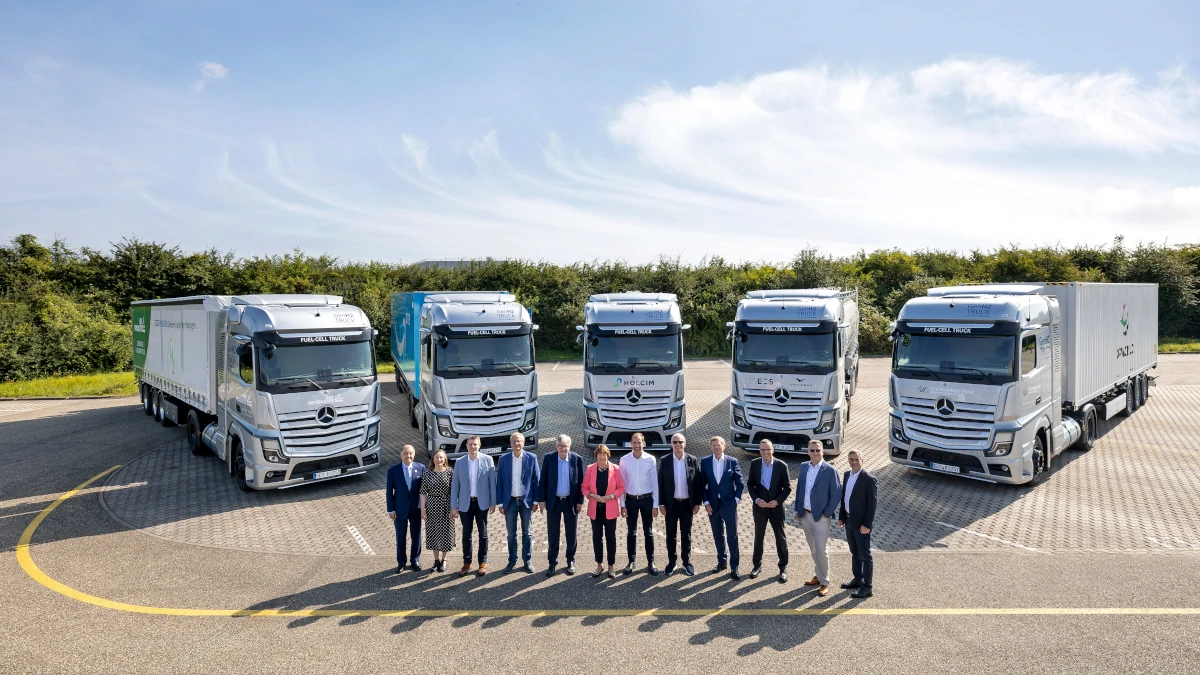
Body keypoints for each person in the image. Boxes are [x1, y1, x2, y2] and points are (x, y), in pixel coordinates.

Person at [794, 439, 841, 596]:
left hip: (821, 517)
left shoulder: (830, 470)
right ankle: (818, 575)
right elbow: (800, 489)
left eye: (818, 450)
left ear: (823, 451)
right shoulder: (803, 467)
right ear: (808, 451)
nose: (815, 453)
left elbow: (836, 495)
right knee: (813, 549)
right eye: (812, 450)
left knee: (821, 549)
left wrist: (826, 513)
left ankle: (825, 581)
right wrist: (797, 509)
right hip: (805, 514)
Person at [450, 436, 497, 577]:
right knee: (466, 535)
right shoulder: (459, 462)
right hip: (465, 504)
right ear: (466, 445)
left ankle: (482, 563)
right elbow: (455, 486)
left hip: (482, 503)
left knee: (483, 534)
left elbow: (492, 484)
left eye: (475, 444)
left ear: (479, 445)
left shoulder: (487, 460)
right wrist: (454, 506)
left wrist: (493, 502)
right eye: (470, 444)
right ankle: (467, 563)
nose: (473, 447)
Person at [538, 434, 584, 577]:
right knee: (553, 534)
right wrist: (541, 499)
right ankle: (552, 563)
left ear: (569, 447)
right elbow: (543, 480)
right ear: (556, 446)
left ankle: (570, 561)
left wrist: (580, 501)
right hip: (554, 502)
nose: (563, 449)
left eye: (565, 446)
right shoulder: (549, 458)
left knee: (571, 534)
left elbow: (581, 482)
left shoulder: (577, 459)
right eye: (560, 446)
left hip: (571, 502)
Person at [699, 436, 745, 580]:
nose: (716, 447)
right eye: (713, 445)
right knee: (718, 535)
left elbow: (740, 483)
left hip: (729, 505)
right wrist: (706, 502)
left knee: (732, 536)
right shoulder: (705, 462)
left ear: (724, 446)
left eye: (718, 445)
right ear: (710, 447)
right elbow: (702, 484)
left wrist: (736, 499)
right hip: (713, 505)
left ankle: (735, 566)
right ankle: (722, 561)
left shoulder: (732, 461)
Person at [657, 433, 702, 576]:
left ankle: (686, 562)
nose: (677, 444)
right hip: (671, 504)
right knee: (671, 534)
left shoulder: (692, 460)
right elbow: (660, 483)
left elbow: (697, 483)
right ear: (671, 444)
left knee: (686, 535)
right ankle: (672, 562)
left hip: (687, 505)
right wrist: (661, 503)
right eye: (675, 442)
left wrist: (697, 503)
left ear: (685, 443)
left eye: (680, 442)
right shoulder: (664, 460)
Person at [496, 431, 541, 574]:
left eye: (519, 441)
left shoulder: (532, 458)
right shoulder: (503, 459)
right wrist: (500, 503)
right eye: (514, 441)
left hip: (526, 502)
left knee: (527, 533)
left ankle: (527, 560)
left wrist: (536, 501)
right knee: (511, 534)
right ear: (510, 444)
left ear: (523, 443)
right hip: (510, 503)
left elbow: (537, 481)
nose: (516, 444)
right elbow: (500, 482)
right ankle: (512, 560)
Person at [748, 439, 792, 582]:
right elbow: (750, 484)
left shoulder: (781, 465)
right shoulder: (754, 464)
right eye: (762, 450)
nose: (765, 452)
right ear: (759, 451)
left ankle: (783, 568)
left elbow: (787, 488)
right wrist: (756, 500)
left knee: (780, 537)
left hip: (776, 508)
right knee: (758, 536)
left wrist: (777, 501)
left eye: (768, 449)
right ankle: (757, 565)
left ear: (773, 450)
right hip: (760, 508)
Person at [838, 450, 877, 599]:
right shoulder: (847, 475)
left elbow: (872, 505)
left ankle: (867, 587)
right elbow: (844, 497)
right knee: (854, 552)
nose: (853, 462)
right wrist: (842, 516)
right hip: (849, 521)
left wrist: (867, 524)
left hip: (862, 525)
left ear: (862, 460)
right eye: (851, 459)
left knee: (865, 555)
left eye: (856, 459)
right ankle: (858, 579)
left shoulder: (869, 479)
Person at [582, 445, 626, 578]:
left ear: (608, 455)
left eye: (604, 454)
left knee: (610, 538)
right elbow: (584, 488)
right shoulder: (590, 469)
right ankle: (599, 565)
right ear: (596, 456)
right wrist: (593, 496)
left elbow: (621, 488)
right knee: (597, 538)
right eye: (599, 454)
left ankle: (611, 566)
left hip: (610, 508)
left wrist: (611, 496)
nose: (602, 457)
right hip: (595, 509)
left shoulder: (616, 469)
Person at [619, 433, 659, 575]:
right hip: (630, 500)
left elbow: (655, 482)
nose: (637, 445)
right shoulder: (624, 461)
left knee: (648, 532)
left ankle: (651, 562)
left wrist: (656, 504)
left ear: (643, 443)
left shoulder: (651, 459)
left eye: (639, 442)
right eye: (634, 442)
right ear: (631, 443)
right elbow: (621, 484)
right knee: (631, 532)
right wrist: (622, 504)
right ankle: (631, 561)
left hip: (647, 499)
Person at [386, 445, 425, 573]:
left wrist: (424, 507)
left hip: (416, 508)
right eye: (406, 453)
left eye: (411, 454)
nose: (408, 456)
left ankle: (415, 560)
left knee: (416, 536)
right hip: (399, 509)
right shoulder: (393, 470)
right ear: (401, 454)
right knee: (400, 536)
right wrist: (390, 509)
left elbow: (424, 491)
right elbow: (389, 492)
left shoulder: (421, 468)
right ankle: (401, 562)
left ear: (414, 454)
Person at [419, 449, 455, 572]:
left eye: (441, 458)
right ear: (433, 459)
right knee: (433, 533)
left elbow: (454, 491)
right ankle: (436, 560)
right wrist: (422, 509)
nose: (439, 460)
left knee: (446, 533)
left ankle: (444, 560)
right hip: (432, 505)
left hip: (446, 505)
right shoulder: (428, 474)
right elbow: (423, 492)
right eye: (437, 457)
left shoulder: (450, 472)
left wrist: (454, 507)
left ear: (445, 459)